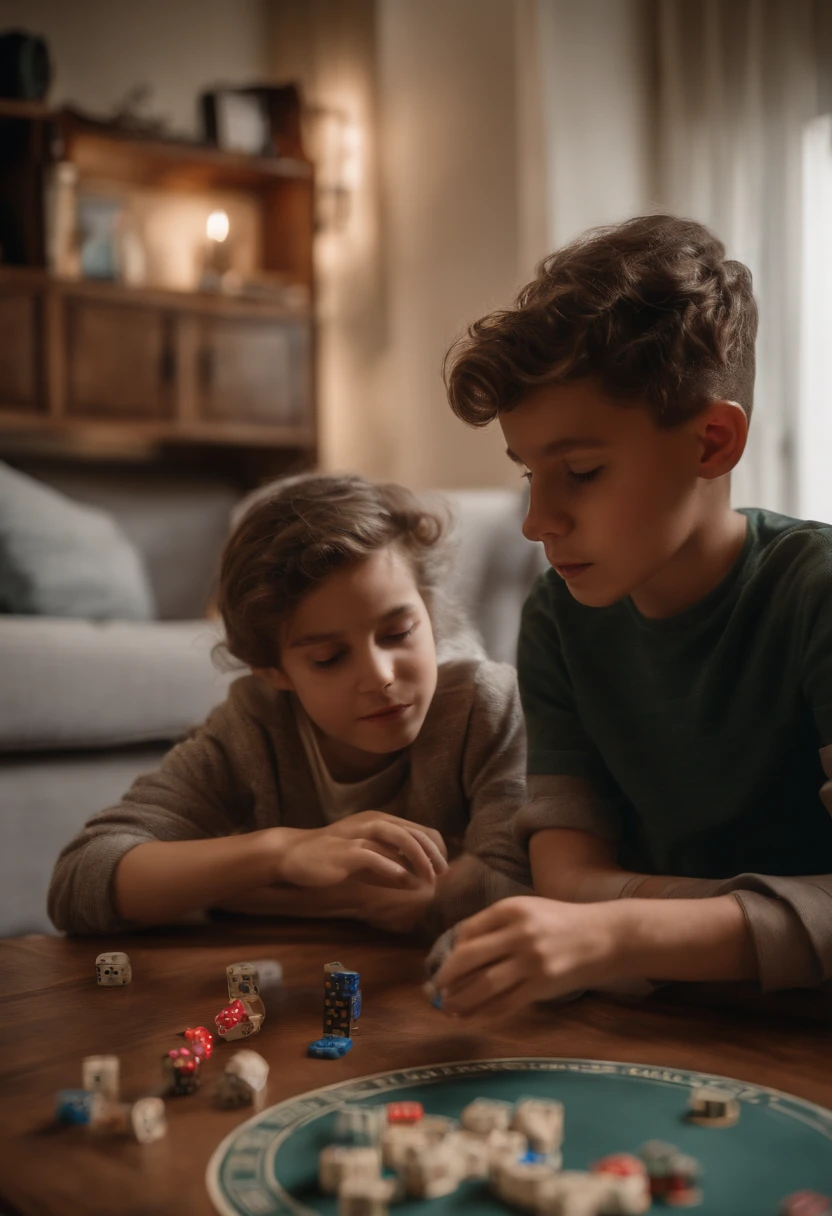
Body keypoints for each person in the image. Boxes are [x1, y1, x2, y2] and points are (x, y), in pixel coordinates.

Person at [431, 213, 832, 1018]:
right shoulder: (559, 614)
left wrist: (619, 933)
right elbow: (567, 884)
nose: (536, 521)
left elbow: (589, 909)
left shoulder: (815, 593)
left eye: (580, 471)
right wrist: (784, 917)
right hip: (663, 1021)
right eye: (529, 474)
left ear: (712, 443)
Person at [48, 473, 531, 936]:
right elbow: (81, 879)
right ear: (273, 671)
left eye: (398, 633)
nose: (381, 677)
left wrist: (295, 898)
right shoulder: (252, 729)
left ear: (428, 611)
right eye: (328, 658)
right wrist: (281, 852)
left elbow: (521, 886)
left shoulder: (486, 708)